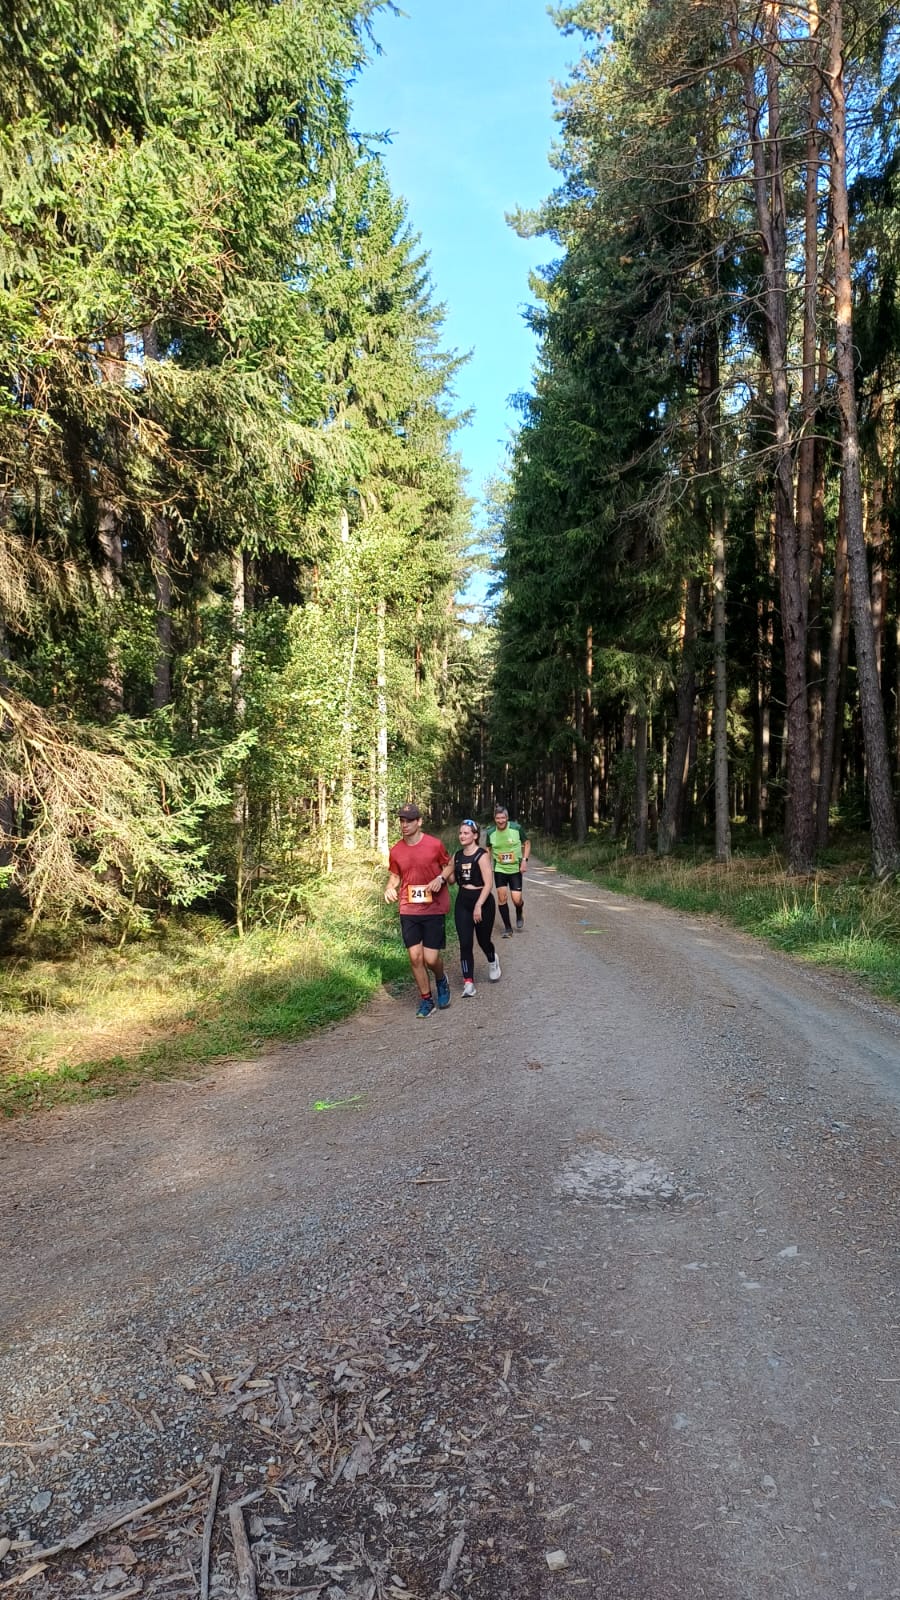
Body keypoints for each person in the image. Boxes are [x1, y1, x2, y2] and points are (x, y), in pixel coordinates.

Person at [384, 803, 452, 1018]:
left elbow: (449, 866)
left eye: (409, 821)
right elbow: (395, 876)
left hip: (433, 907)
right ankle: (426, 1000)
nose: (404, 825)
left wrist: (441, 878)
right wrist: (389, 888)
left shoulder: (434, 845)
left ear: (419, 822)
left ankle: (441, 979)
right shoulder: (396, 850)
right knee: (415, 957)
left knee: (431, 959)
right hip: (408, 907)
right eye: (402, 821)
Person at [446, 818, 501, 997]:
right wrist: (445, 868)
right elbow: (452, 881)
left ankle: (492, 959)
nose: (462, 836)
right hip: (463, 901)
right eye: (460, 833)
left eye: (466, 833)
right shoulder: (457, 856)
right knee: (465, 943)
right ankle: (468, 983)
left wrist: (479, 905)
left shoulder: (482, 855)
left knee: (483, 941)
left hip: (483, 901)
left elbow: (488, 883)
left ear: (475, 836)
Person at [486, 802, 530, 937]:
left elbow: (527, 843)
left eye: (503, 818)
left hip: (515, 869)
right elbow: (488, 849)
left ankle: (519, 910)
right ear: (494, 819)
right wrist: (487, 866)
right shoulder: (490, 832)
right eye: (498, 818)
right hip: (499, 869)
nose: (500, 821)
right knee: (502, 897)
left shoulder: (517, 828)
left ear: (507, 818)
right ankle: (508, 928)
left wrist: (524, 860)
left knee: (516, 899)